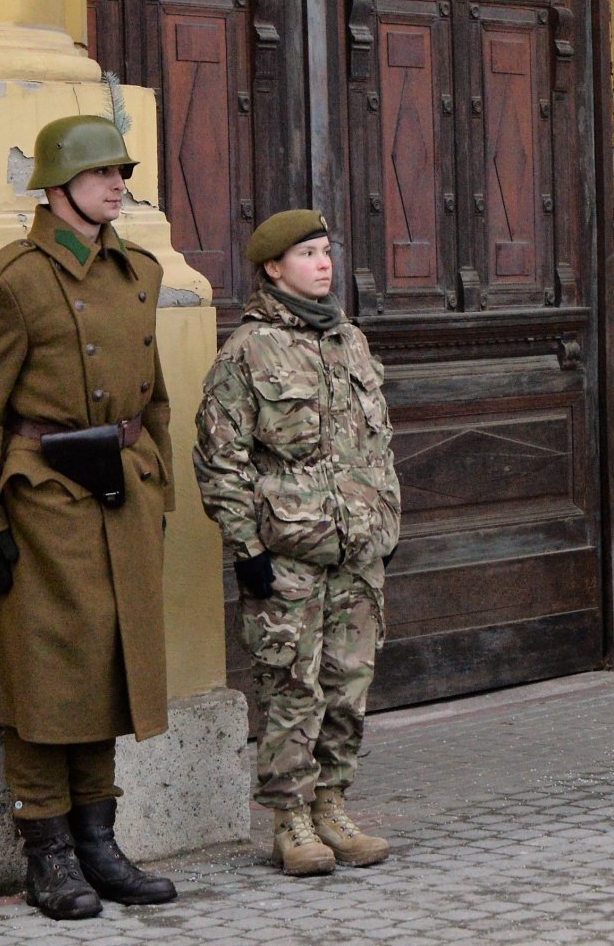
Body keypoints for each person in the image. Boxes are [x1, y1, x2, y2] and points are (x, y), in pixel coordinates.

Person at [0, 115, 178, 921]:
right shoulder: (12, 282)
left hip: (122, 493)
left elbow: (154, 398)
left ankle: (99, 843)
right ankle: (49, 854)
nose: (118, 185)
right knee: (46, 676)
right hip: (42, 502)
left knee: (107, 666)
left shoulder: (138, 269)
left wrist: (160, 488)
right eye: (103, 173)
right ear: (60, 184)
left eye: (122, 172)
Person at [194, 210, 401, 877]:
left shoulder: (350, 341)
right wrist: (245, 548)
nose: (324, 263)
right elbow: (221, 459)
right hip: (287, 556)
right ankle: (290, 821)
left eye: (326, 251)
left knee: (348, 685)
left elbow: (378, 443)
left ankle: (333, 805)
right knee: (291, 689)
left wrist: (385, 522)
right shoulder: (247, 351)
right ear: (273, 268)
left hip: (357, 551)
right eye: (308, 253)